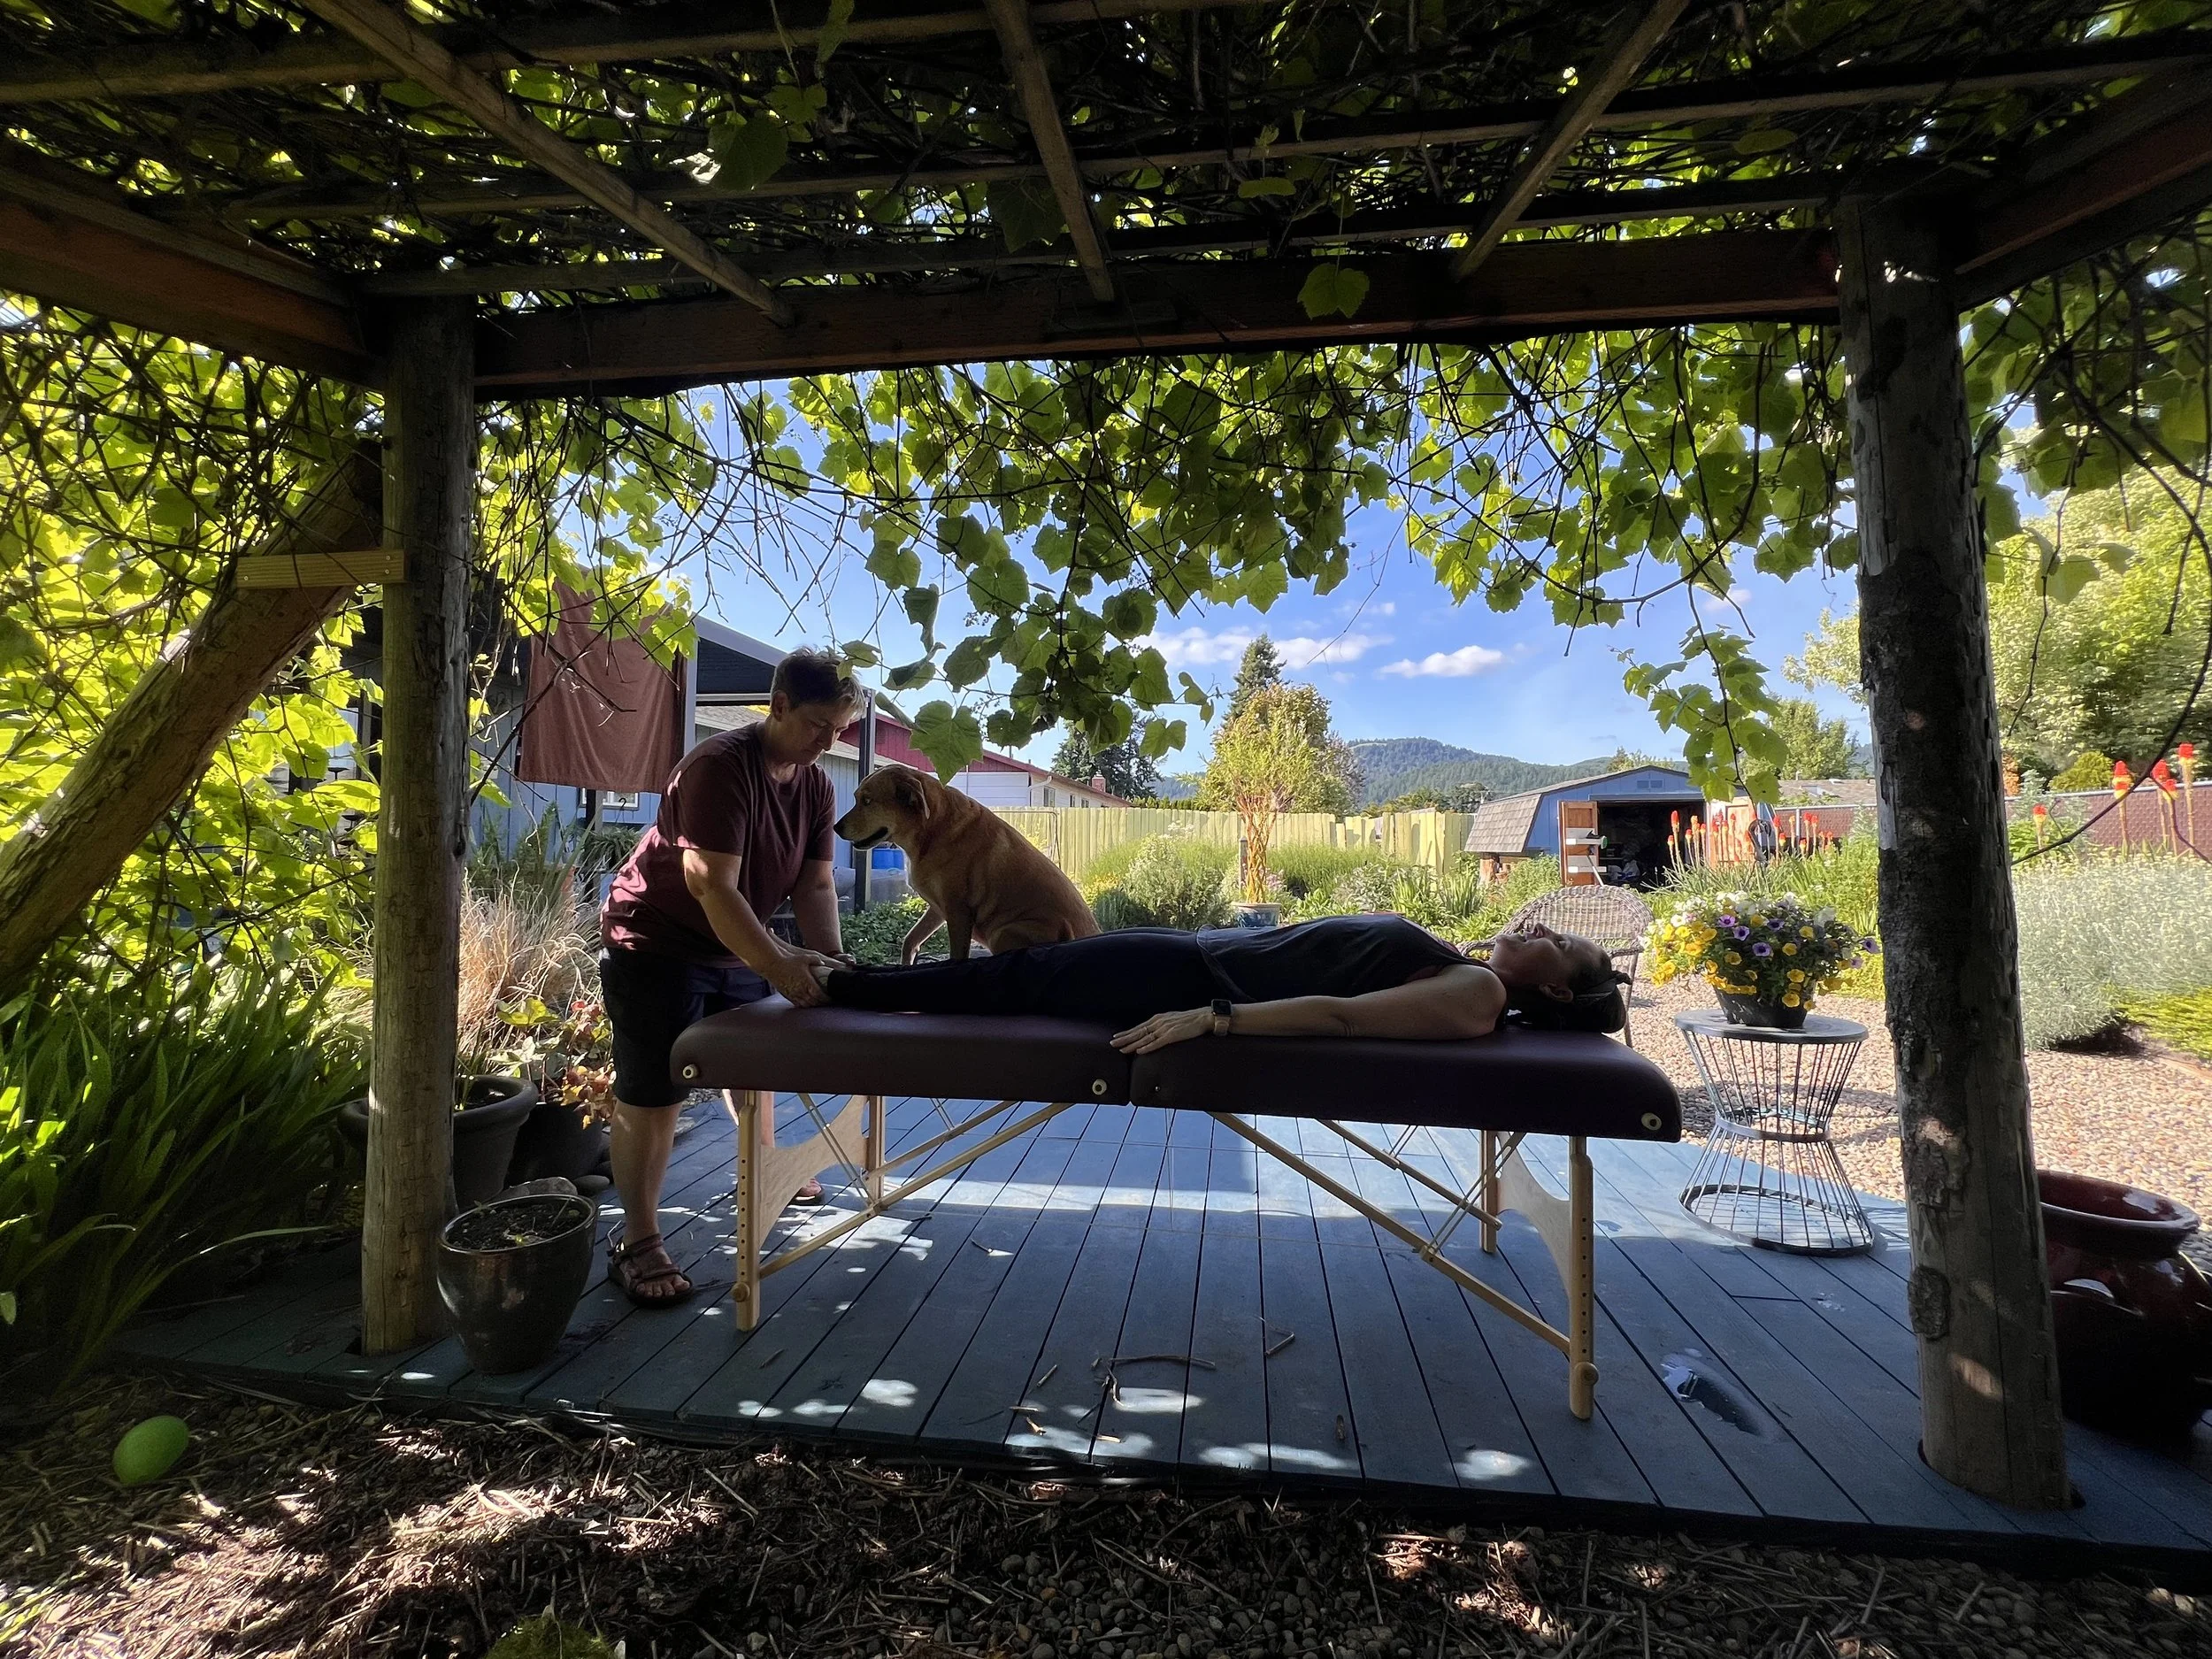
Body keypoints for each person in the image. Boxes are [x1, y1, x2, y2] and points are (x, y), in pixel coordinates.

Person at [597, 648, 859, 1306]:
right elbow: (711, 885)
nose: (829, 743)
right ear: (778, 705)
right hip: (655, 942)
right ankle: (638, 1239)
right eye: (819, 726)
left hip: (733, 942)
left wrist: (831, 963)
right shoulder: (719, 767)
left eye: (840, 730)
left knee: (753, 1066)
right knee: (655, 1091)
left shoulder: (816, 786)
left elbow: (816, 885)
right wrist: (777, 964)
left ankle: (762, 1169)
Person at [815, 912, 1627, 1051]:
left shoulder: (1480, 995)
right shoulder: (1467, 970)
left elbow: (1343, 1018)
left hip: (1195, 976)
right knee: (1019, 974)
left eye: (1558, 945)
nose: (1540, 928)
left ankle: (844, 988)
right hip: (1196, 956)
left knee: (1018, 978)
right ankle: (854, 979)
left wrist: (1215, 1017)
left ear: (1557, 991)